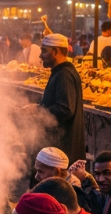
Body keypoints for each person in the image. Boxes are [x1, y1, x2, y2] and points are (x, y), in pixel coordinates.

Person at [32, 33, 85, 164]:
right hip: (59, 148)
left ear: (55, 52)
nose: (40, 55)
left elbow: (65, 109)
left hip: (61, 149)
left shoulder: (64, 75)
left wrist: (38, 112)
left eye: (44, 51)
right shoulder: (60, 72)